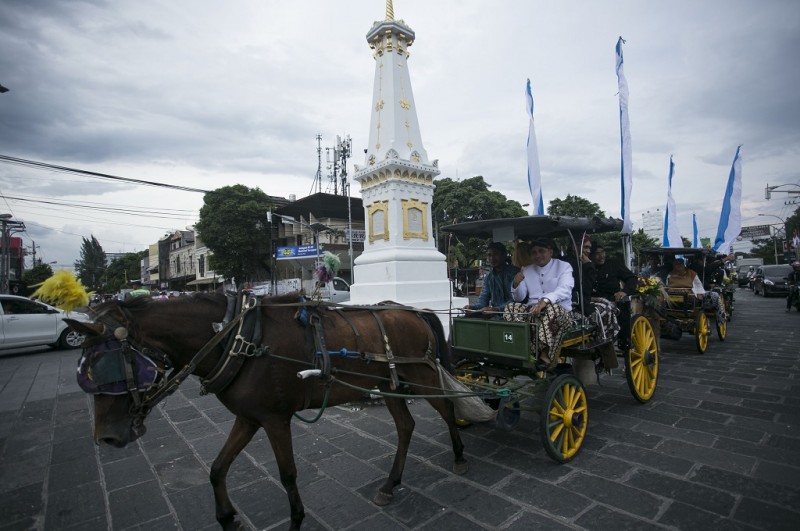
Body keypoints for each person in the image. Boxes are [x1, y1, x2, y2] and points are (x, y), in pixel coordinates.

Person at [508, 237, 574, 369]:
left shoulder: (563, 266)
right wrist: (516, 283)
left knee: (552, 309)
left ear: (550, 251)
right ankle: (522, 347)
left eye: (541, 251)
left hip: (561, 312)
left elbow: (565, 290)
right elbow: (519, 298)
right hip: (534, 312)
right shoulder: (527, 269)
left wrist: (545, 301)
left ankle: (545, 353)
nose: (538, 255)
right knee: (510, 307)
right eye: (534, 252)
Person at [592, 243, 636, 350]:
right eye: (597, 254)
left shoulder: (614, 263)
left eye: (602, 252)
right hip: (593, 300)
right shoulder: (588, 266)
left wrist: (624, 292)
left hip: (613, 299)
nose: (601, 256)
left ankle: (624, 339)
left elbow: (631, 278)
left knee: (623, 305)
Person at [463, 242, 519, 319]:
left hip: (513, 315)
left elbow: (515, 300)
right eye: (489, 255)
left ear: (504, 255)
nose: (492, 258)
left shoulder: (514, 273)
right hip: (494, 315)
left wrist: (495, 309)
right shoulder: (489, 277)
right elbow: (482, 302)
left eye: (495, 254)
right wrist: (472, 308)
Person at [667, 258, 726, 322]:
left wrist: (699, 293)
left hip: (689, 295)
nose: (678, 266)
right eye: (676, 264)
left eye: (680, 264)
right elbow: (667, 285)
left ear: (683, 264)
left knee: (715, 295)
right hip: (672, 295)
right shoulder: (670, 274)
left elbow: (697, 284)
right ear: (673, 265)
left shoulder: (691, 273)